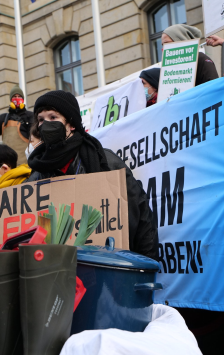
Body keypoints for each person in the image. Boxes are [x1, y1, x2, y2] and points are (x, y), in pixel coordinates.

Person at [26, 90, 159, 259]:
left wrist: (147, 265)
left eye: (53, 117)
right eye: (41, 120)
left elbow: (141, 217)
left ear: (71, 124)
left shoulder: (106, 162)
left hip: (108, 265)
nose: (46, 124)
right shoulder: (36, 176)